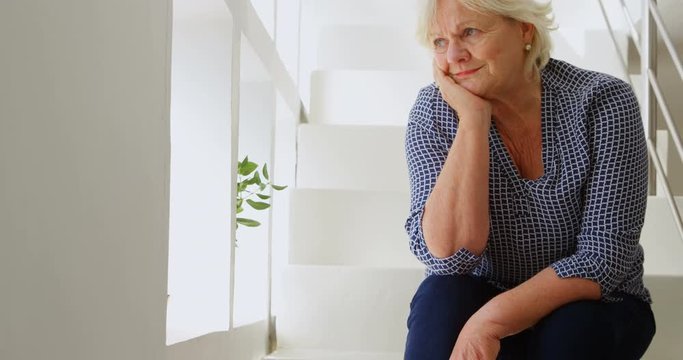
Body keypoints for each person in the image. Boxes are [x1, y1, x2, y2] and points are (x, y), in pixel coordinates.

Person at [402, 0, 656, 359]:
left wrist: (489, 321)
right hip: (485, 289)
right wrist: (474, 121)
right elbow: (449, 258)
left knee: (575, 329)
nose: (453, 55)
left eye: (469, 32)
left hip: (595, 302)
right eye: (439, 42)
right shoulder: (435, 112)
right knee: (440, 299)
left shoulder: (602, 101)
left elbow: (603, 258)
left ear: (524, 29)